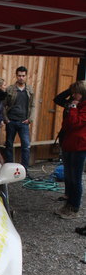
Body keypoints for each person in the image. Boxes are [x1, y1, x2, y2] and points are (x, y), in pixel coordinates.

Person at [53, 81, 86, 220]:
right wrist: (71, 92)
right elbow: (58, 100)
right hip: (69, 144)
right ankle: (68, 205)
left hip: (79, 146)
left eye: (75, 93)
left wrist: (73, 107)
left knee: (75, 178)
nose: (73, 96)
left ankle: (74, 208)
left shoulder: (80, 106)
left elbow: (74, 123)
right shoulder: (74, 103)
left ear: (82, 93)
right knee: (69, 177)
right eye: (72, 93)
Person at [3, 66, 35, 176]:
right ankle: (9, 170)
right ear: (16, 76)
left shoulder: (29, 89)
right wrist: (6, 119)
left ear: (26, 76)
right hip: (11, 121)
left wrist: (30, 119)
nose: (21, 78)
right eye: (19, 75)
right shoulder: (10, 89)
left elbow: (33, 105)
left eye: (23, 76)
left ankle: (25, 170)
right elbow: (3, 105)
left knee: (26, 146)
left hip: (23, 122)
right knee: (9, 145)